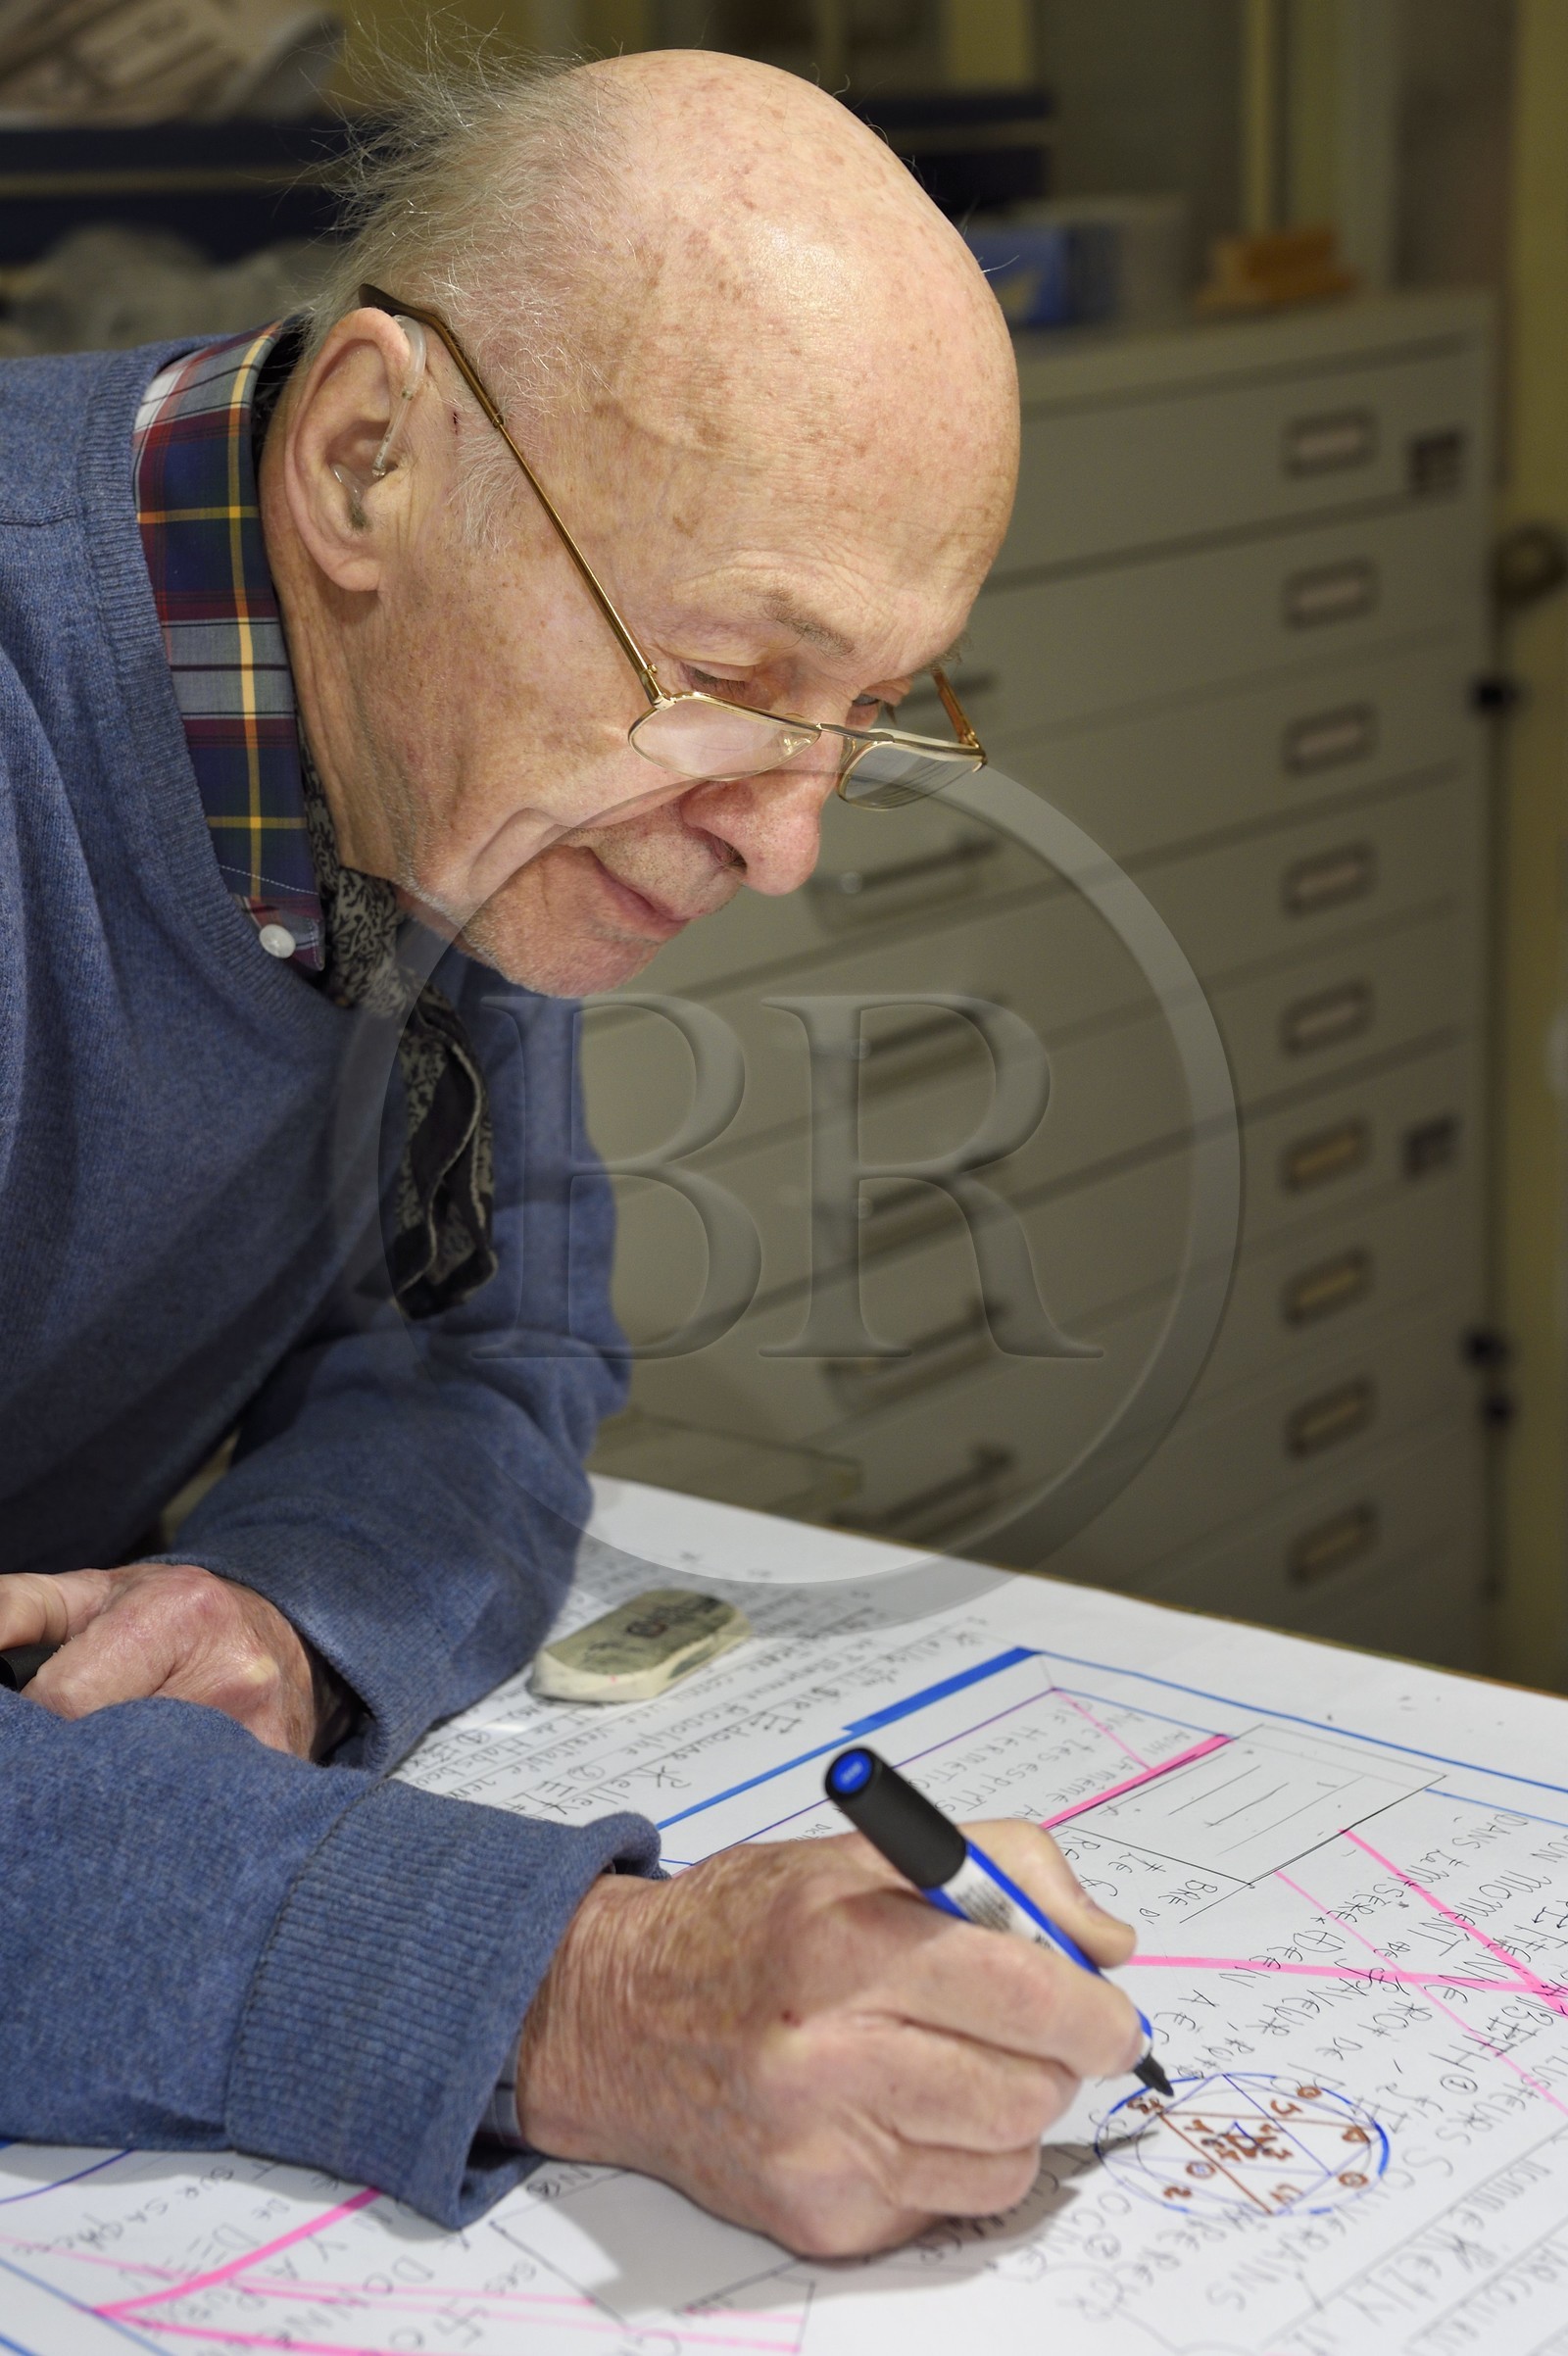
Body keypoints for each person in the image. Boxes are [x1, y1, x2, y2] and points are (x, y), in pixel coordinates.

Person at [0, 46, 1145, 2253]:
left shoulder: (447, 740)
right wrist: (571, 1989)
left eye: (871, 706)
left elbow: (488, 1345)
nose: (789, 840)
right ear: (364, 459)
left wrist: (282, 1610)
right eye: (727, 665)